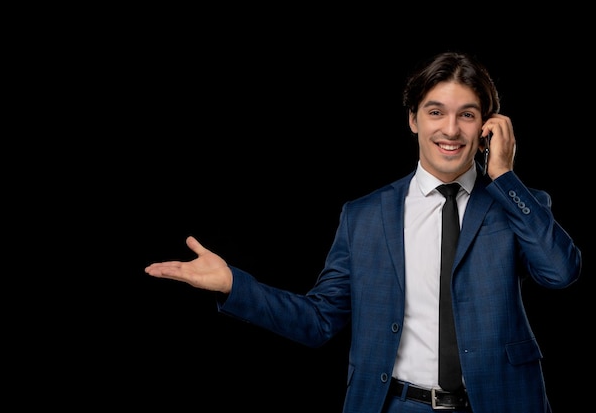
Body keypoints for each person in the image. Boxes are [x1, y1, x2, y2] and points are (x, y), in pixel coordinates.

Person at [144, 51, 582, 413]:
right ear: (413, 119)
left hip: (502, 404)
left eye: (467, 115)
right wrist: (233, 285)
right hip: (394, 406)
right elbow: (319, 321)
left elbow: (560, 273)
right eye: (436, 112)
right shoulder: (364, 216)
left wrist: (504, 177)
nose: (451, 130)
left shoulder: (518, 204)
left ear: (487, 125)